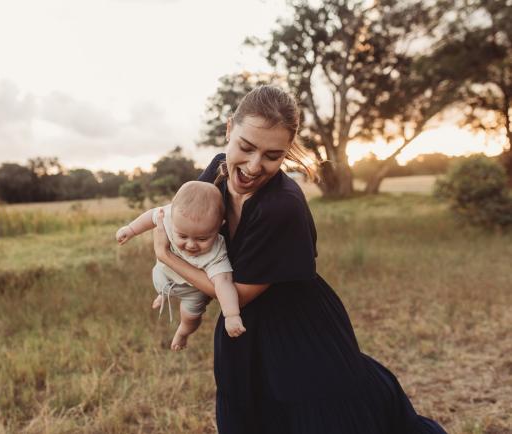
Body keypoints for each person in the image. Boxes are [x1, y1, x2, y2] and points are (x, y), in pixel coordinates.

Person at [151, 86, 447, 433]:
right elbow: (183, 222)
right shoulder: (217, 171)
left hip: (300, 331)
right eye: (245, 147)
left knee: (325, 418)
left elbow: (240, 293)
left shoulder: (282, 207)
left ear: (287, 152)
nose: (253, 166)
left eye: (273, 156)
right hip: (243, 333)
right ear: (229, 129)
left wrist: (165, 256)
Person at [116, 181, 246, 351]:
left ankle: (183, 333)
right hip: (164, 273)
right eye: (182, 236)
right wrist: (131, 229)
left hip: (192, 291)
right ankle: (164, 293)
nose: (191, 245)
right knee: (159, 281)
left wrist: (231, 315)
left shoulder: (216, 253)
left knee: (190, 317)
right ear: (173, 217)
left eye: (202, 239)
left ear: (219, 226)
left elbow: (224, 282)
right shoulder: (169, 216)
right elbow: (151, 216)